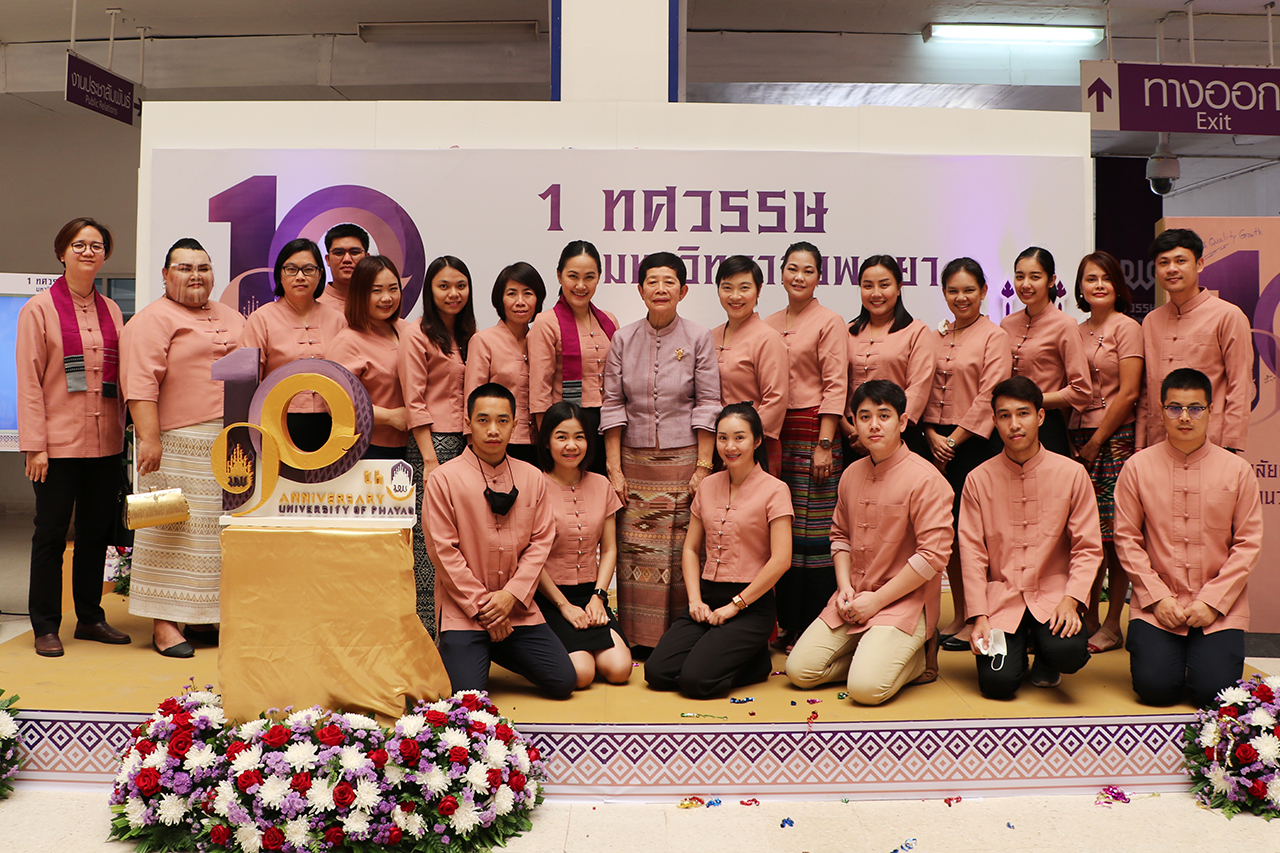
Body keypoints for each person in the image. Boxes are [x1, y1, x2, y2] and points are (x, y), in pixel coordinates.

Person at [786, 381, 953, 704]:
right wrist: (844, 587)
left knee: (866, 690)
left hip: (905, 601)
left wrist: (876, 602)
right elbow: (839, 536)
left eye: (884, 416)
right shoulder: (851, 473)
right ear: (854, 423)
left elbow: (933, 557)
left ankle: (920, 657)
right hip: (854, 597)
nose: (874, 425)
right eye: (864, 417)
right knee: (800, 671)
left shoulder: (927, 478)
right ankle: (874, 658)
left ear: (902, 422)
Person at [120, 238, 245, 658]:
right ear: (165, 274)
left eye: (203, 268)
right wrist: (149, 439)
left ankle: (202, 616)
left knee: (210, 536)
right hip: (171, 443)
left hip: (225, 443)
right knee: (167, 530)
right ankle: (164, 625)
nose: (196, 275)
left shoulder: (230, 316)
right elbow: (140, 383)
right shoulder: (151, 319)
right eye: (185, 268)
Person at [1115, 368, 1263, 707]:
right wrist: (1157, 598)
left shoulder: (1237, 471)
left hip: (1219, 607)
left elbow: (1248, 544)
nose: (1185, 417)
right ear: (1161, 410)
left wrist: (1212, 601)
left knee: (1214, 694)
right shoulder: (1137, 468)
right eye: (1175, 408)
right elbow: (1126, 539)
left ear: (1211, 410)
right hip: (1157, 605)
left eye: (1195, 408)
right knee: (1155, 690)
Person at [17, 217, 130, 657]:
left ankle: (89, 617)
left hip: (105, 442)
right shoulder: (39, 308)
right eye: (79, 245)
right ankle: (46, 624)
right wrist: (35, 446)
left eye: (96, 245)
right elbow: (29, 383)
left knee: (95, 533)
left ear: (105, 255)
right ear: (62, 252)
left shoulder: (112, 310)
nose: (88, 252)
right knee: (50, 534)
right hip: (57, 446)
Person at [601, 251, 721, 651]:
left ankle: (679, 638)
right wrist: (614, 469)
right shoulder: (623, 339)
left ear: (683, 290)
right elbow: (613, 405)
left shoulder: (698, 337)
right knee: (636, 550)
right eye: (652, 281)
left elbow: (708, 403)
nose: (660, 289)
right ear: (640, 290)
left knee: (680, 549)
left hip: (684, 461)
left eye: (669, 281)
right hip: (633, 465)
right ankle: (637, 638)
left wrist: (703, 466)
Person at [424, 383, 576, 698]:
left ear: (514, 424)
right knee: (467, 698)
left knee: (563, 681)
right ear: (468, 423)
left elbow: (541, 543)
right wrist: (486, 611)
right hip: (464, 611)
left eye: (502, 421)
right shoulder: (444, 479)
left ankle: (492, 648)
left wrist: (510, 597)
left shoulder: (532, 477)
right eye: (483, 420)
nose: (493, 430)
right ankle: (474, 649)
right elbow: (443, 552)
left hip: (517, 609)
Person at [960, 377, 1101, 699]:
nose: (1014, 424)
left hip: (1053, 595)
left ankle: (1047, 656)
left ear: (1039, 416)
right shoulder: (978, 480)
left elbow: (1087, 547)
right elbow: (972, 554)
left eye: (1023, 414)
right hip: (1002, 598)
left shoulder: (1071, 473)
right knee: (997, 685)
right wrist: (979, 616)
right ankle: (1019, 649)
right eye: (1004, 416)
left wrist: (1072, 600)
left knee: (1068, 652)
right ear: (994, 421)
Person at [645, 404, 792, 698]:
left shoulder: (775, 490)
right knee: (657, 673)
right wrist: (695, 601)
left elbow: (781, 560)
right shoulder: (708, 485)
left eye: (739, 437)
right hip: (708, 598)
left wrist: (735, 605)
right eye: (722, 438)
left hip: (751, 605)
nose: (730, 446)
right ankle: (733, 655)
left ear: (757, 441)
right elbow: (690, 549)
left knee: (695, 681)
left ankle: (755, 662)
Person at [920, 258, 1011, 654]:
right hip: (935, 443)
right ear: (944, 293)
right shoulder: (934, 336)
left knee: (977, 535)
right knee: (949, 534)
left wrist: (952, 442)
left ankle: (982, 615)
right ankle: (959, 614)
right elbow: (920, 387)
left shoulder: (995, 336)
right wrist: (929, 434)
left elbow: (990, 395)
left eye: (969, 290)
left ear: (984, 292)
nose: (961, 297)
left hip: (975, 445)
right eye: (953, 291)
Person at [763, 242, 849, 652]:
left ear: (819, 276)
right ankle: (785, 623)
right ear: (781, 272)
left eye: (808, 270)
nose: (799, 277)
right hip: (776, 435)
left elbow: (836, 384)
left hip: (815, 432)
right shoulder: (767, 322)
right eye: (792, 268)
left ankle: (814, 626)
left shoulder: (829, 321)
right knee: (782, 531)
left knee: (814, 535)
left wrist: (825, 443)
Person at [1067, 251, 1144, 655]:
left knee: (1114, 538)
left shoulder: (1127, 328)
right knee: (1085, 536)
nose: (1098, 285)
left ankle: (1114, 623)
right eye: (1090, 279)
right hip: (1075, 440)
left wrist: (1096, 442)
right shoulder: (1073, 330)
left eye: (1105, 279)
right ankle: (1089, 618)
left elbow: (1129, 393)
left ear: (1117, 285)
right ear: (1079, 287)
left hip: (1114, 441)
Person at [398, 255, 476, 636]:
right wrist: (429, 460)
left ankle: (461, 631)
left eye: (460, 285)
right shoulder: (416, 334)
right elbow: (413, 401)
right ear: (430, 290)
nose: (453, 293)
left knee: (464, 540)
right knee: (430, 543)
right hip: (432, 446)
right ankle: (428, 633)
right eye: (443, 286)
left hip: (468, 446)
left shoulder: (470, 334)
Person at [532, 401, 633, 689]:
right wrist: (564, 606)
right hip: (549, 598)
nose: (571, 445)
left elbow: (609, 549)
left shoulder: (601, 484)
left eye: (579, 437)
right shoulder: (534, 486)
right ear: (547, 442)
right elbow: (529, 557)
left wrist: (598, 597)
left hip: (591, 596)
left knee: (619, 670)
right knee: (582, 674)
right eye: (561, 437)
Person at [1137, 228, 1254, 453]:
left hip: (1211, 442)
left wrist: (1230, 445)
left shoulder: (1228, 315)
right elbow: (1146, 390)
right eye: (1163, 263)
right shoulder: (1151, 321)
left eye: (1180, 261)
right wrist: (1141, 445)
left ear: (1199, 264)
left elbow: (1240, 385)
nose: (1172, 269)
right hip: (1158, 444)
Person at [241, 238, 346, 453]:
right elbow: (247, 381)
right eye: (291, 269)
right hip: (277, 421)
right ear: (280, 275)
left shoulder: (338, 319)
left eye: (308, 269)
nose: (300, 276)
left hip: (333, 422)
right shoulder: (261, 319)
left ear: (320, 274)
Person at [528, 240, 618, 476]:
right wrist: (548, 444)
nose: (580, 285)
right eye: (572, 276)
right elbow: (540, 391)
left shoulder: (609, 321)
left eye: (589, 277)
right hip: (567, 427)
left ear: (599, 277)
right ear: (559, 276)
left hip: (608, 425)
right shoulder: (546, 322)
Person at [999, 247, 1092, 458]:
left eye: (1035, 277)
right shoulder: (1007, 323)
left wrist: (1033, 400)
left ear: (1051, 281)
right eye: (1020, 277)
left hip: (1046, 423)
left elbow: (1082, 390)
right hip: (1009, 423)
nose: (1026, 284)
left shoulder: (1065, 325)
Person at [842, 255, 937, 458]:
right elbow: (835, 384)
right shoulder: (847, 332)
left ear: (899, 287)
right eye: (868, 286)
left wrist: (884, 429)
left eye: (884, 285)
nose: (876, 293)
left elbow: (918, 388)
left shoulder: (917, 331)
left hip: (900, 435)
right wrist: (851, 429)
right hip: (852, 437)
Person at [711, 255, 788, 474]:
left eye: (744, 288)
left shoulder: (768, 338)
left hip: (756, 446)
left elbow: (776, 398)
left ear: (759, 289)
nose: (735, 296)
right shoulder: (710, 336)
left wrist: (743, 441)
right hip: (717, 444)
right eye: (727, 287)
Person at [327, 255, 409, 459]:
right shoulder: (347, 342)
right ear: (360, 294)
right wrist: (390, 417)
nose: (387, 298)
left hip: (415, 444)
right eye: (376, 291)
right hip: (370, 448)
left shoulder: (408, 330)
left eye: (393, 289)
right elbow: (334, 403)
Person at [465, 262, 546, 465]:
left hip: (538, 444)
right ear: (500, 299)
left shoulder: (543, 341)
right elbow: (471, 399)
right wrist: (473, 450)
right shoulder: (483, 341)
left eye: (528, 294)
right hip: (495, 444)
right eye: (511, 294)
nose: (520, 302)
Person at [317, 223, 370, 313]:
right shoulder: (313, 305)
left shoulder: (379, 303)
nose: (347, 259)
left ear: (367, 258)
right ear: (327, 259)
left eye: (354, 252)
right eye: (338, 253)